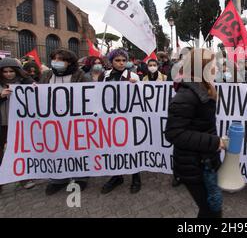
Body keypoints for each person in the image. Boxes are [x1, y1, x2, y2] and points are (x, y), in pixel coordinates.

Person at [165, 48, 225, 218]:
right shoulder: (186, 96)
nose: (217, 69)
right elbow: (174, 133)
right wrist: (214, 142)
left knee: (211, 208)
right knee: (211, 210)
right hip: (193, 166)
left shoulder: (204, 89)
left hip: (204, 161)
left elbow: (199, 126)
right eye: (214, 65)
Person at [40, 49, 92, 195]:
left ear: (69, 62)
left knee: (77, 148)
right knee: (55, 148)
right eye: (54, 59)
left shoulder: (80, 75)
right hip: (52, 121)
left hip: (75, 120)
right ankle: (58, 179)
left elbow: (91, 93)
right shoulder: (46, 75)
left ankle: (80, 177)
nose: (56, 62)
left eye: (61, 59)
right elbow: (38, 94)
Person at [99, 49, 142, 194]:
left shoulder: (133, 76)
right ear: (111, 62)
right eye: (117, 60)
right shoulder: (103, 76)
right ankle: (117, 176)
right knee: (114, 148)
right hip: (110, 118)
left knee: (131, 148)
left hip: (128, 118)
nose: (121, 63)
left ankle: (136, 177)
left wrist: (135, 86)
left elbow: (140, 98)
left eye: (124, 60)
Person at [0, 58, 35, 191]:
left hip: (19, 123)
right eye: (5, 71)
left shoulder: (25, 82)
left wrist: (34, 88)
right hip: (2, 123)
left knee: (21, 151)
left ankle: (24, 178)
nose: (8, 74)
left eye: (11, 71)